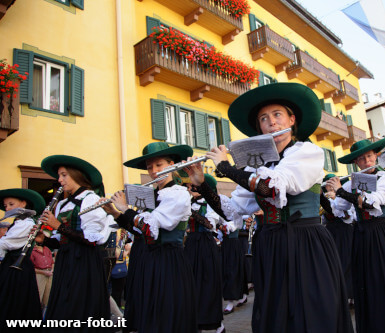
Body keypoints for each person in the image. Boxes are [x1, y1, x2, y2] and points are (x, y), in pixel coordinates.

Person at [183, 82, 353, 332]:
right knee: (276, 314)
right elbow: (233, 211)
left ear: (291, 120)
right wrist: (204, 187)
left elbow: (271, 188)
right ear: (260, 129)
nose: (271, 122)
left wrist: (225, 167)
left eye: (277, 115)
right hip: (270, 245)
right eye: (264, 119)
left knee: (311, 312)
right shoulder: (258, 166)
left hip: (306, 242)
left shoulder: (307, 152)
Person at [324, 138, 385, 332]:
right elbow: (339, 210)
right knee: (368, 284)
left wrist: (341, 191)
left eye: (369, 156)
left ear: (375, 156)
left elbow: (371, 201)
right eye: (361, 159)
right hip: (362, 235)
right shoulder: (350, 184)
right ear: (355, 163)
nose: (366, 162)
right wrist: (332, 192)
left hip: (383, 233)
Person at [103, 142, 197, 332]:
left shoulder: (178, 194)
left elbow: (151, 227)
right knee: (147, 312)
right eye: (149, 167)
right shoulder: (151, 195)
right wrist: (115, 213)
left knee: (164, 314)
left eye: (159, 165)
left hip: (166, 261)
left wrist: (126, 209)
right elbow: (139, 230)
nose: (154, 171)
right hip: (145, 259)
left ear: (171, 165)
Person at [39, 155, 112, 329]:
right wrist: (43, 240)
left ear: (76, 175)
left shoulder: (90, 199)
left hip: (84, 260)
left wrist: (58, 226)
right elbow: (61, 240)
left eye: (64, 175)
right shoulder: (62, 203)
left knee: (80, 304)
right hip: (66, 259)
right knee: (65, 302)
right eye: (59, 176)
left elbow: (91, 240)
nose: (60, 180)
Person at [184, 174, 225, 333]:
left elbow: (209, 224)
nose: (189, 189)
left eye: (192, 186)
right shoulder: (189, 202)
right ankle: (196, 322)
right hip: (192, 244)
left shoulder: (211, 204)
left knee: (208, 283)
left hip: (206, 244)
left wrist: (192, 212)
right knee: (192, 284)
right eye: (189, 187)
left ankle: (215, 322)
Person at [0, 188, 45, 327]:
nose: (7, 208)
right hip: (11, 265)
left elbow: (6, 243)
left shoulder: (26, 223)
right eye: (6, 205)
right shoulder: (18, 222)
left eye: (11, 204)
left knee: (15, 304)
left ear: (23, 203)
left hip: (17, 268)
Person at [320, 173, 355, 308]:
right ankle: (339, 295)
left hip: (345, 230)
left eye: (331, 184)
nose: (329, 187)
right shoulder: (324, 197)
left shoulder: (343, 195)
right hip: (330, 231)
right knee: (334, 264)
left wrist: (336, 199)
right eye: (327, 184)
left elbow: (348, 216)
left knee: (347, 262)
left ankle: (349, 295)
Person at [30, 232, 54, 315]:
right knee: (38, 296)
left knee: (47, 298)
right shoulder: (32, 250)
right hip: (39, 274)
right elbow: (30, 268)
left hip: (49, 274)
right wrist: (43, 272)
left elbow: (52, 261)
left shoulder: (47, 249)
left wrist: (51, 271)